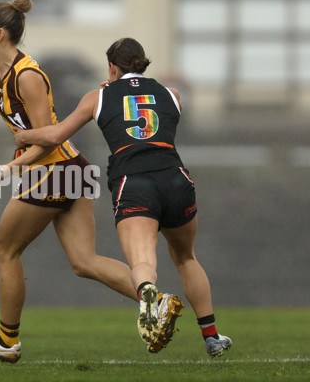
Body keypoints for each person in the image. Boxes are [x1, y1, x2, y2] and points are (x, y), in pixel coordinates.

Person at [0, 0, 182, 361]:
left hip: (54, 169)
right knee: (84, 262)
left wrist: (8, 169)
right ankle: (155, 301)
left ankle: (6, 341)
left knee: (5, 248)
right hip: (70, 170)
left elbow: (49, 137)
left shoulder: (29, 76)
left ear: (0, 33)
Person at [13, 37, 232, 357]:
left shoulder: (97, 96)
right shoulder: (172, 94)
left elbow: (57, 135)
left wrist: (25, 135)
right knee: (186, 257)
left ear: (111, 67)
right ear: (142, 62)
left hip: (134, 183)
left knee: (143, 262)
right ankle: (212, 337)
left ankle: (147, 296)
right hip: (175, 179)